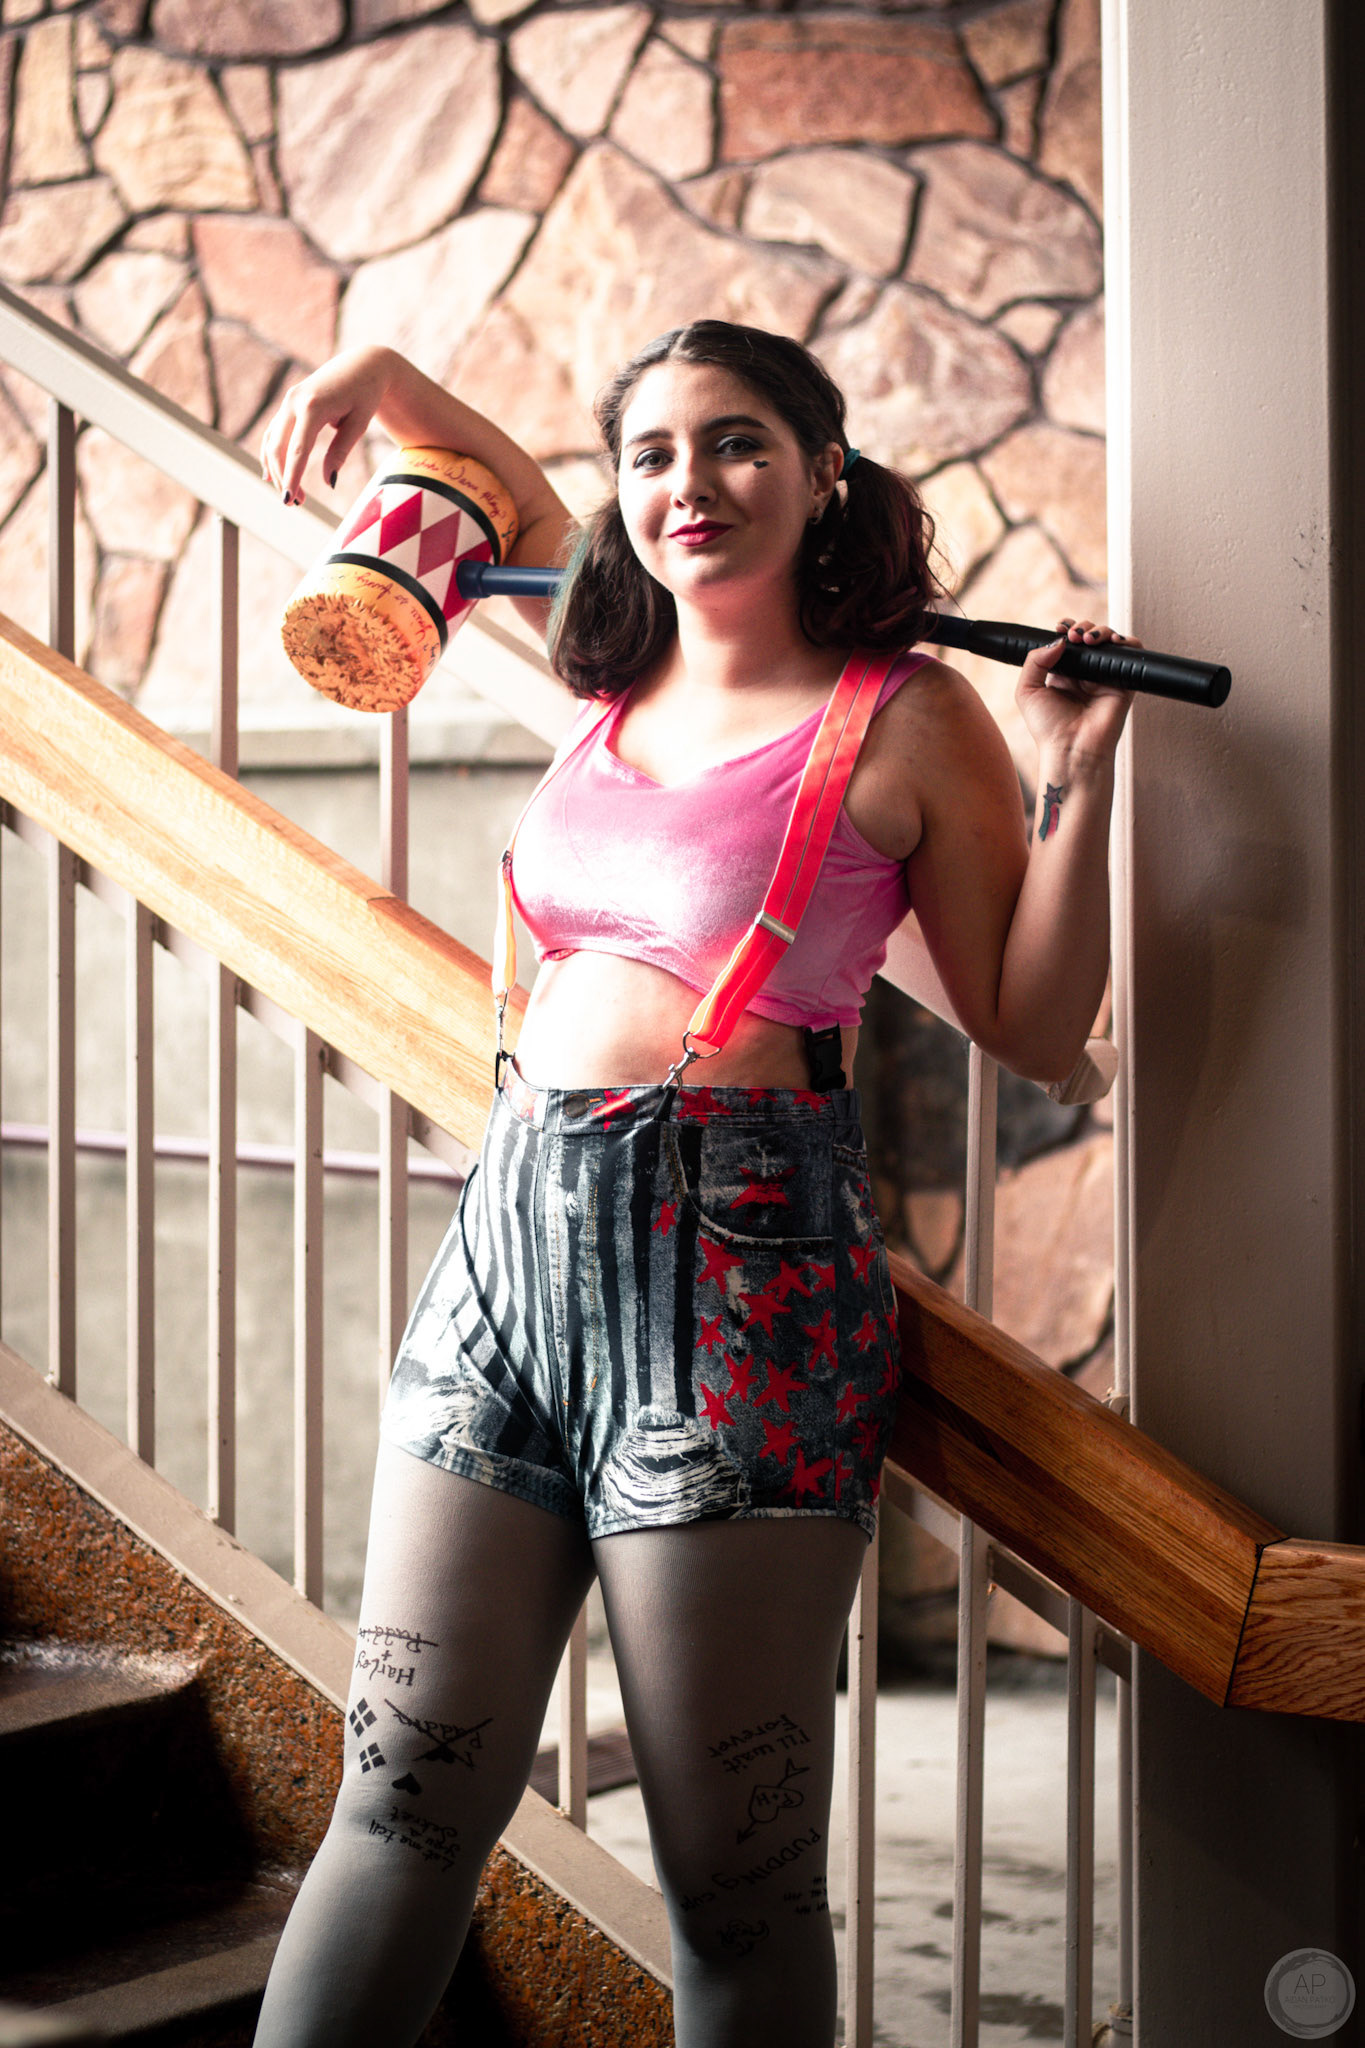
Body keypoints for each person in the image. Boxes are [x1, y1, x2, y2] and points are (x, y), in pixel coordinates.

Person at [252, 320, 1133, 2048]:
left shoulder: (906, 716)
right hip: (505, 1257)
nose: (688, 486)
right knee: (401, 1803)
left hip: (740, 1283)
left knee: (732, 1887)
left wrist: (1078, 776)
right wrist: (379, 378)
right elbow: (508, 494)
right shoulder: (609, 668)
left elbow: (1031, 1024)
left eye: (735, 444)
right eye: (649, 454)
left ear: (822, 473)